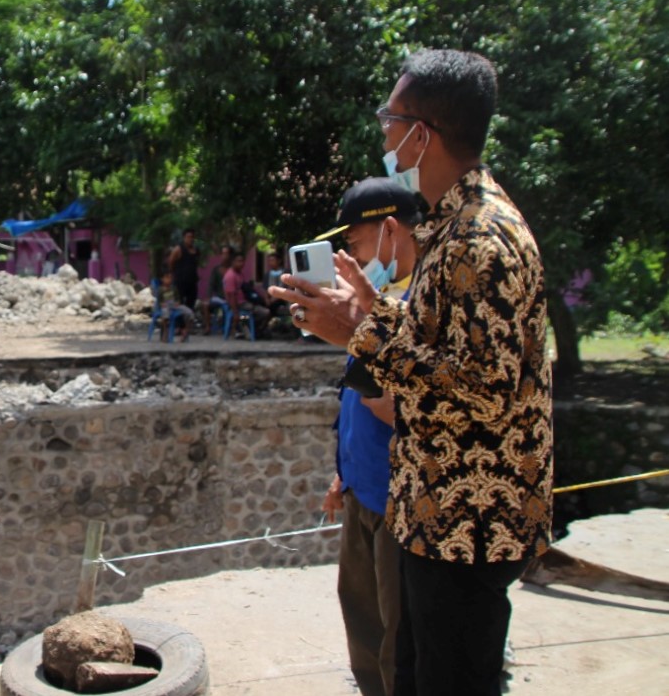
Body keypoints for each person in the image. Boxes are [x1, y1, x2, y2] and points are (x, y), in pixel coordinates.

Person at [272, 50, 552, 696]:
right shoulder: (452, 226)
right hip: (433, 512)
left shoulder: (484, 240)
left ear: (420, 134)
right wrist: (369, 312)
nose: (382, 134)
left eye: (388, 118)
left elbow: (483, 393)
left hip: (468, 525)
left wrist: (359, 331)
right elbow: (438, 354)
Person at [314, 178, 422, 696]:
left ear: (390, 230)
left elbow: (409, 407)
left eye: (355, 244)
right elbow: (359, 398)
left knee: (397, 642)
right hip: (363, 487)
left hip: (399, 502)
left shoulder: (420, 302)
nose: (351, 256)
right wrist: (344, 471)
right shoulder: (378, 302)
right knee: (362, 624)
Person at [223, 253, 269, 337]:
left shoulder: (240, 274)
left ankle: (251, 329)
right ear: (233, 262)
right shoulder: (230, 276)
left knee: (265, 308)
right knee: (264, 312)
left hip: (245, 301)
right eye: (239, 261)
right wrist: (235, 312)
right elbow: (231, 296)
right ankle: (245, 328)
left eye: (243, 261)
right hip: (239, 304)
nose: (242, 263)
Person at [200, 245, 234, 335]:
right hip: (219, 297)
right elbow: (211, 284)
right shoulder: (216, 269)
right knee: (204, 304)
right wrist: (208, 296)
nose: (224, 256)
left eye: (226, 254)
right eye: (222, 253)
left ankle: (231, 327)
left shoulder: (233, 269)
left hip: (231, 298)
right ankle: (207, 327)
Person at [167, 229, 201, 318]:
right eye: (188, 237)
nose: (190, 239)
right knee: (179, 303)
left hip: (192, 281)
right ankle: (179, 326)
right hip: (180, 281)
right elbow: (171, 262)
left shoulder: (196, 250)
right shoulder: (178, 249)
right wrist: (173, 274)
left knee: (191, 302)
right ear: (184, 238)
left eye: (192, 237)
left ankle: (187, 325)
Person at [155, 270, 194, 341]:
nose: (169, 279)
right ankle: (166, 332)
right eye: (167, 278)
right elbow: (159, 300)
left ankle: (186, 331)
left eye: (170, 278)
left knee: (189, 313)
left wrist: (177, 302)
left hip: (174, 305)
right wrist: (162, 304)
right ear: (162, 279)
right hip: (166, 306)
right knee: (165, 314)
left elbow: (177, 298)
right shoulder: (160, 290)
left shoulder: (174, 288)